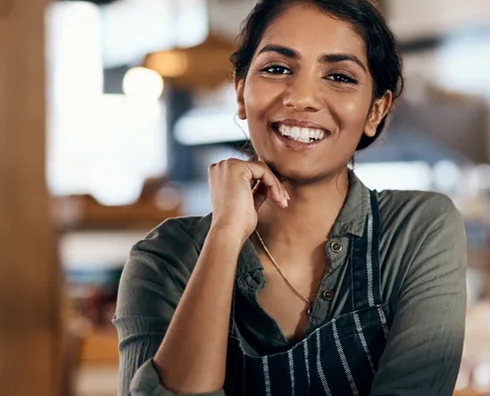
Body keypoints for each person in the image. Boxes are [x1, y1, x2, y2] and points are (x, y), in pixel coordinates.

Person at [113, 1, 467, 395]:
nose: (302, 97)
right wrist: (226, 235)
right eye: (277, 69)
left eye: (339, 76)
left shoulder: (418, 228)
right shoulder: (163, 260)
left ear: (375, 110)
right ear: (241, 93)